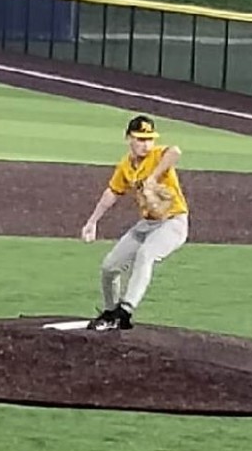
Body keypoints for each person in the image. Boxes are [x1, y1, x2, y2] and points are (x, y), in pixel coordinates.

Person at [80, 115, 189, 331]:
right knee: (110, 267)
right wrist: (93, 221)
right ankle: (111, 313)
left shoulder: (157, 156)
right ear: (128, 138)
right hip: (146, 225)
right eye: (140, 139)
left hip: (173, 223)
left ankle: (126, 309)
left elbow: (175, 151)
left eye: (149, 139)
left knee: (146, 255)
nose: (145, 144)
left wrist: (153, 177)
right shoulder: (125, 166)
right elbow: (112, 192)